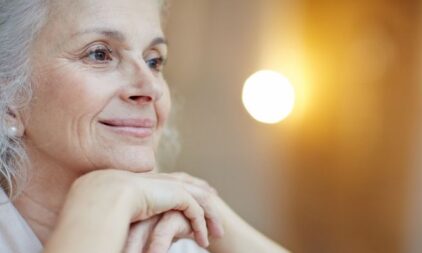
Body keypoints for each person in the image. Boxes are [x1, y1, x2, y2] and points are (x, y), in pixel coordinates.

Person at [0, 0, 290, 252]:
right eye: (99, 54)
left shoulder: (166, 233)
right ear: (10, 99)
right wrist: (102, 202)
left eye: (154, 61)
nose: (151, 87)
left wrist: (216, 216)